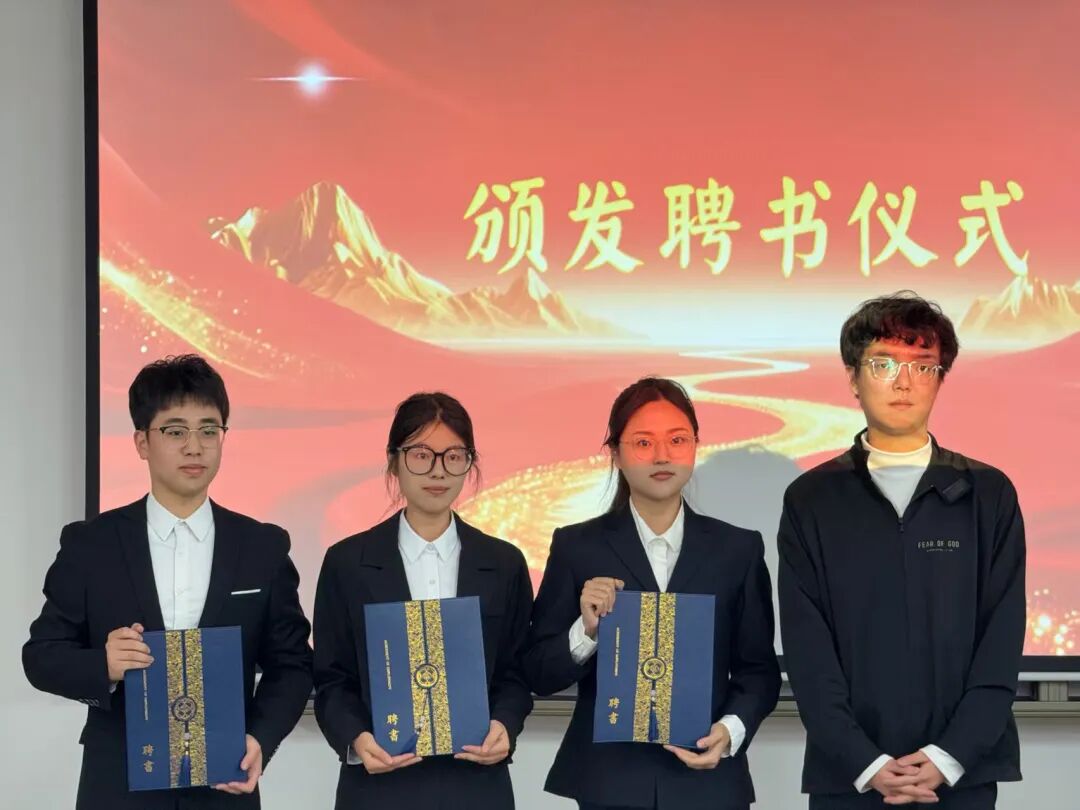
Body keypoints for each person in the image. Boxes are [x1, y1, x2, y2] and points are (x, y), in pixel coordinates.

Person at [23, 354, 313, 809]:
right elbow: (41, 656)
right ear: (142, 441)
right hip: (118, 785)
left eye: (209, 430)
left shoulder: (262, 546)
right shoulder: (91, 544)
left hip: (225, 785)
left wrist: (261, 736)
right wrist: (103, 665)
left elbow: (292, 664)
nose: (195, 447)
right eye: (175, 431)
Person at [778, 292, 1025, 809]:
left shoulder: (987, 493)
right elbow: (808, 651)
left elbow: (1000, 645)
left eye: (921, 364)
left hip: (961, 777)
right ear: (853, 377)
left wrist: (949, 757)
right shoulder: (812, 499)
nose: (903, 381)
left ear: (940, 378)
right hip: (849, 777)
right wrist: (865, 763)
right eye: (883, 363)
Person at [524, 376, 781, 810]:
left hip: (709, 782)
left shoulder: (737, 549)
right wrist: (586, 631)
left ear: (695, 445)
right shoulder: (577, 546)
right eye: (643, 443)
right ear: (616, 453)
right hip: (609, 782)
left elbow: (759, 671)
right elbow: (539, 673)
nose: (662, 455)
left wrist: (730, 730)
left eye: (677, 440)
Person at [313, 392, 533, 809]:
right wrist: (356, 738)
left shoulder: (503, 563)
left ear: (469, 463)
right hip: (378, 787)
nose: (438, 470)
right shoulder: (348, 562)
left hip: (477, 784)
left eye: (454, 456)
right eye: (421, 455)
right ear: (393, 461)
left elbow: (517, 671)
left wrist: (505, 724)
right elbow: (332, 678)